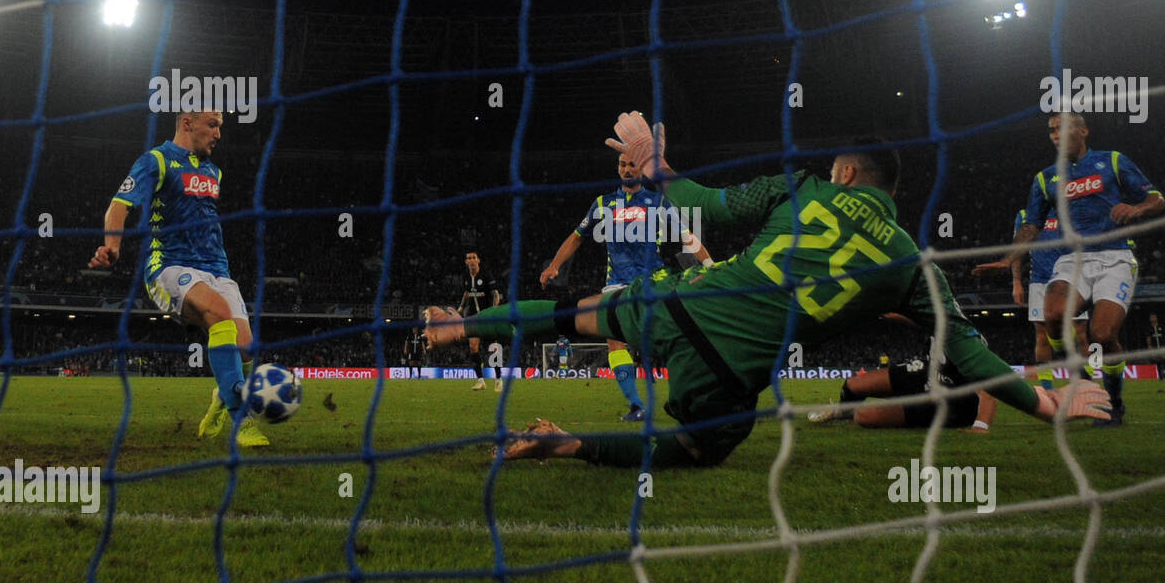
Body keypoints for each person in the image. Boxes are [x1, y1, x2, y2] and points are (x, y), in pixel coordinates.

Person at [423, 113, 1109, 468]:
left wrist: (658, 165)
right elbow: (971, 353)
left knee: (569, 316)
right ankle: (575, 444)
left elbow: (709, 207)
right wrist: (1047, 401)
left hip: (682, 304)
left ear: (842, 172)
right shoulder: (911, 263)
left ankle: (465, 327)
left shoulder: (802, 186)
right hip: (729, 372)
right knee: (696, 450)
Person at [89, 110, 267, 447]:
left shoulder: (213, 170)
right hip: (170, 267)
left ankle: (222, 393)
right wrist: (112, 246)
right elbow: (119, 205)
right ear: (187, 123)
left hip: (218, 269)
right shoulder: (156, 160)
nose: (218, 134)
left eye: (220, 127)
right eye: (212, 125)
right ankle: (241, 421)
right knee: (218, 313)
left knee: (246, 349)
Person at [974, 113, 1165, 426]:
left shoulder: (1113, 161)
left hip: (1115, 257)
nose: (1055, 135)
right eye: (1051, 130)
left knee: (1102, 336)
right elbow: (1031, 226)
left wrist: (1137, 208)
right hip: (1072, 259)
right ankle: (1082, 377)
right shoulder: (1045, 178)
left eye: (1062, 128)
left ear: (1083, 131)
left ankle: (1114, 403)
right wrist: (1008, 260)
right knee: (1051, 316)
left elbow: (1156, 199)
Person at [539, 152, 713, 421]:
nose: (627, 169)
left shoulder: (658, 202)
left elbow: (686, 236)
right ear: (617, 169)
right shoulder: (603, 203)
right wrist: (555, 265)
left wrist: (711, 265)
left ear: (642, 170)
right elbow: (576, 237)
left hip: (651, 282)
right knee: (615, 343)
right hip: (616, 284)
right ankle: (636, 405)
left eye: (632, 164)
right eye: (622, 164)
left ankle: (692, 396)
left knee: (670, 337)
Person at [808, 353, 998, 434]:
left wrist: (980, 425)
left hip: (951, 402)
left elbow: (987, 388)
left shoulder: (963, 338)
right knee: (851, 385)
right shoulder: (932, 315)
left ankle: (899, 406)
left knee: (864, 416)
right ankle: (844, 412)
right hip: (927, 371)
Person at [1011, 207, 1090, 390]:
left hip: (1072, 280)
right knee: (1042, 337)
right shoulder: (1025, 216)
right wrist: (1016, 282)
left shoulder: (1071, 210)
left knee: (1081, 336)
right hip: (1040, 282)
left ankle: (1085, 386)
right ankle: (1048, 390)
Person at [458, 251, 501, 391]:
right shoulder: (465, 276)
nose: (471, 260)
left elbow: (495, 294)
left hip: (487, 315)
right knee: (473, 347)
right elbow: (466, 293)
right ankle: (481, 381)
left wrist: (494, 310)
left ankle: (498, 379)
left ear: (478, 260)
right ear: (466, 262)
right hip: (473, 316)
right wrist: (461, 308)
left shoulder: (486, 275)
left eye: (473, 258)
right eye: (468, 258)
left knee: (493, 348)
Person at [1145, 312, 1165, 380]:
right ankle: (1161, 377)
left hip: (1163, 346)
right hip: (1155, 347)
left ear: (1156, 318)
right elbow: (1148, 337)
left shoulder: (1161, 326)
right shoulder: (1149, 328)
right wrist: (1149, 346)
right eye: (1151, 317)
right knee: (1158, 362)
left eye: (1154, 317)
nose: (1153, 318)